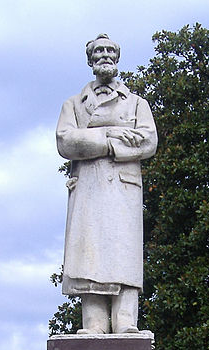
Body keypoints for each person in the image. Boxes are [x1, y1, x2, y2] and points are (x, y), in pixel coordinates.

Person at [56, 34, 157, 334]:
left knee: (123, 252)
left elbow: (148, 141)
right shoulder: (73, 104)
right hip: (88, 185)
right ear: (89, 60)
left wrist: (99, 140)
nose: (104, 55)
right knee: (89, 253)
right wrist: (113, 134)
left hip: (123, 189)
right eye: (98, 51)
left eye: (110, 50)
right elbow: (66, 141)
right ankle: (95, 324)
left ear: (118, 56)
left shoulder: (137, 104)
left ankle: (126, 322)